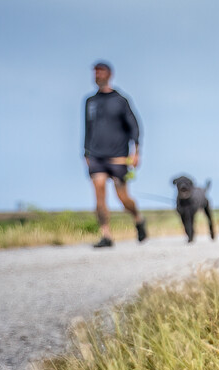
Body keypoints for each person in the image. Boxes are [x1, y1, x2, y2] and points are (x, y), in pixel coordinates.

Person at [84, 60, 146, 248]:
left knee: (122, 197)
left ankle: (138, 218)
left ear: (109, 74)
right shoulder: (90, 102)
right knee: (99, 191)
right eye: (95, 72)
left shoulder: (121, 100)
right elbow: (87, 129)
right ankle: (106, 235)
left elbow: (134, 126)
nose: (97, 75)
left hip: (118, 156)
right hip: (96, 156)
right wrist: (86, 153)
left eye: (100, 72)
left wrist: (136, 152)